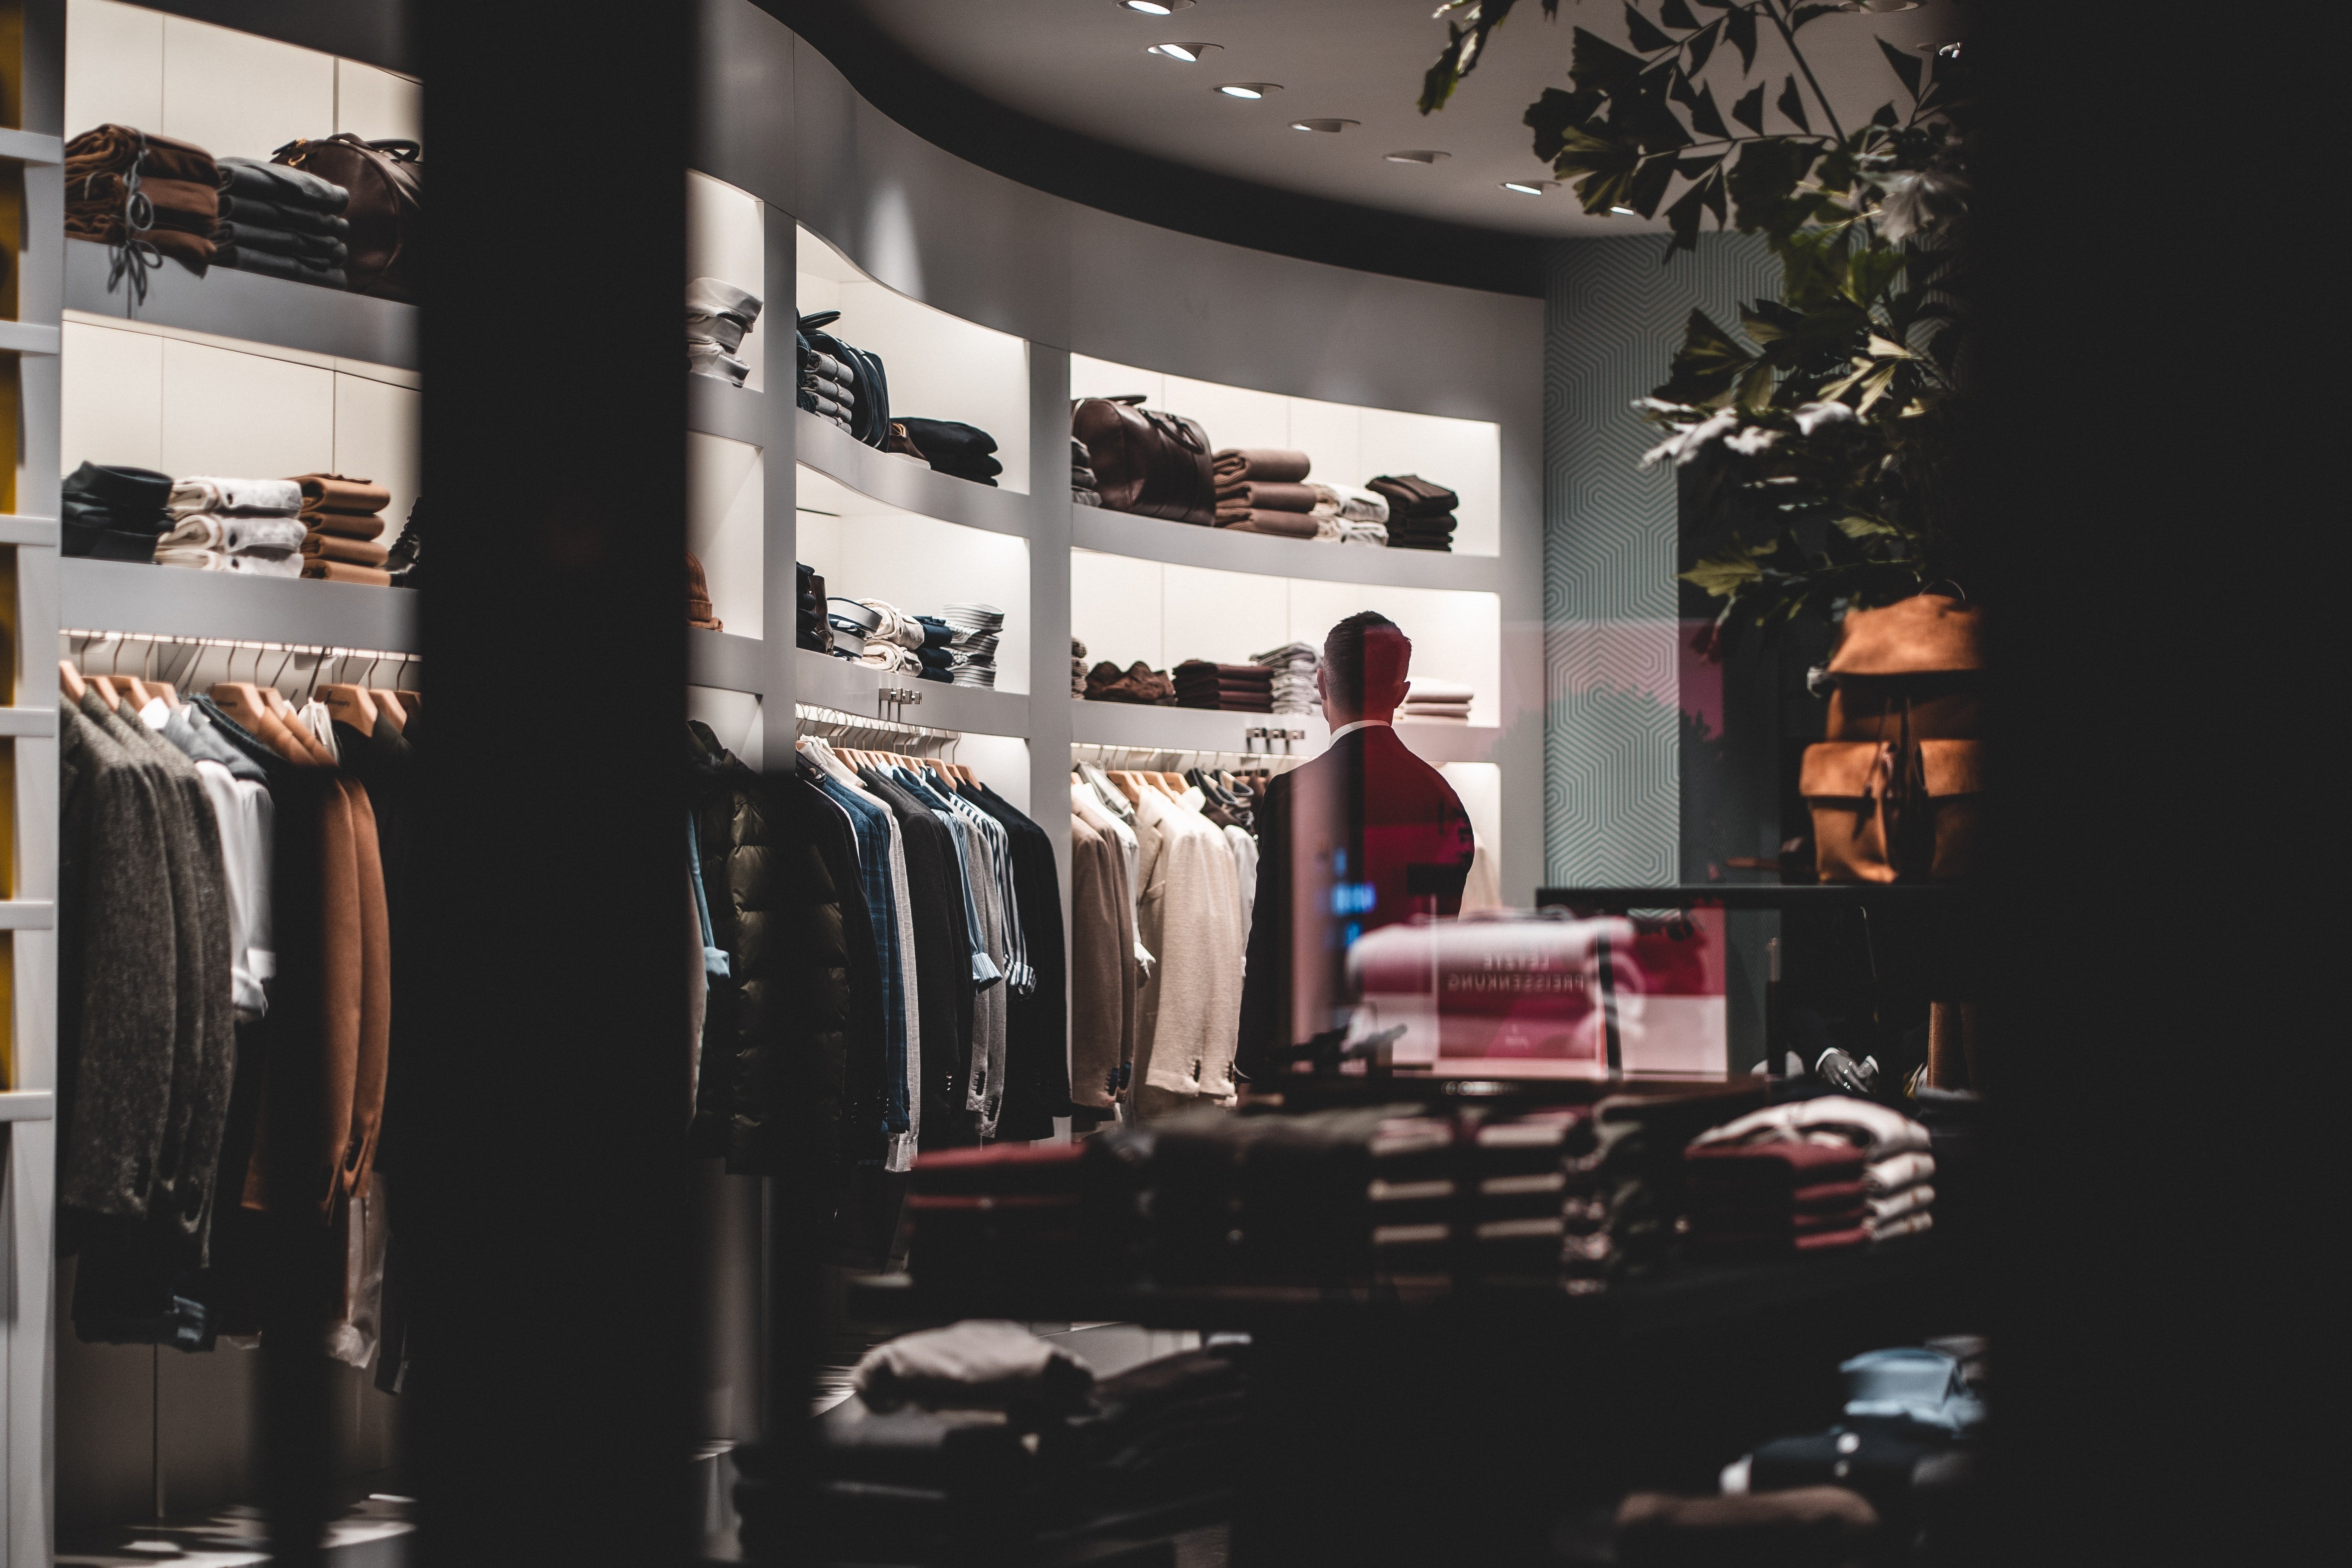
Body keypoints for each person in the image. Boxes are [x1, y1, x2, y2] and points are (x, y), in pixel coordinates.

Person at [1236, 612, 1476, 1079]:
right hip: (1412, 1052)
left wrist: (1250, 1067)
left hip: (1312, 1055)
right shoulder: (1443, 798)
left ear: (1322, 684)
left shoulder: (1294, 795)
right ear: (1401, 694)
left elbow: (1269, 942)